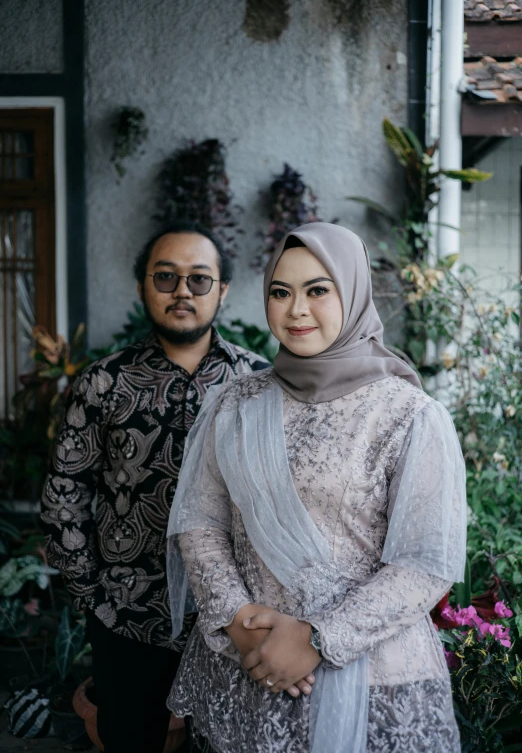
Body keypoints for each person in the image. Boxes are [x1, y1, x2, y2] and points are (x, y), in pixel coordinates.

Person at [166, 222, 466, 753]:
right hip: (247, 666)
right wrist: (238, 623)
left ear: (352, 294)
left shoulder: (409, 415)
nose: (296, 310)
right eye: (281, 292)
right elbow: (200, 519)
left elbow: (425, 562)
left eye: (318, 290)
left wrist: (317, 640)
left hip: (374, 675)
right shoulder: (236, 403)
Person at [41, 222, 270, 753]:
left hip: (231, 617)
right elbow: (64, 495)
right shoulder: (103, 382)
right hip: (126, 615)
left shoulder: (258, 385)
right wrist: (93, 597)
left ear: (223, 290)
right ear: (143, 285)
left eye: (198, 279)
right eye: (165, 277)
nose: (182, 291)